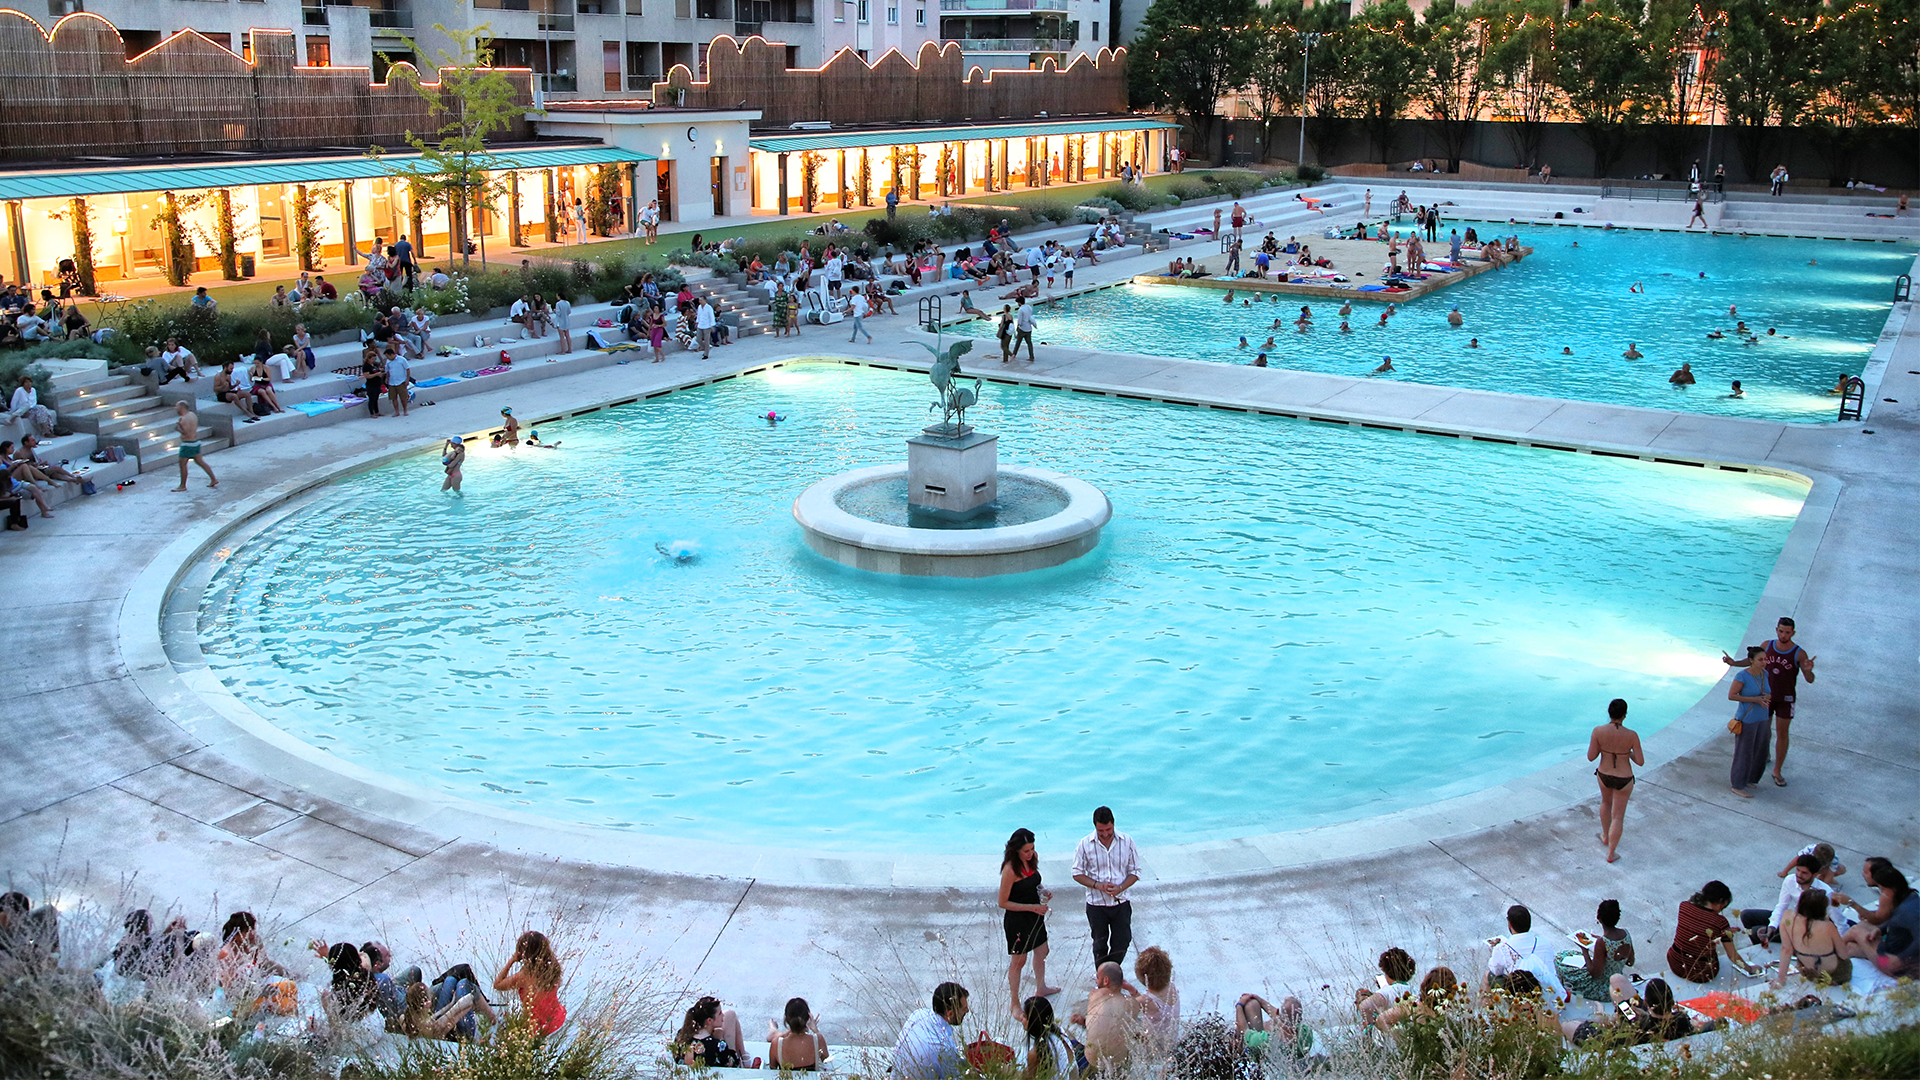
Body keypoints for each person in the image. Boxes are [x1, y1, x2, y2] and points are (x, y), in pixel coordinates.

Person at [1720, 617, 1815, 787]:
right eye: (1780, 631)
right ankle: (1766, 755)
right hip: (1765, 697)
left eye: (1787, 632)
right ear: (1776, 629)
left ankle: (1777, 770)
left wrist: (1808, 671)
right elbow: (1751, 660)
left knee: (1782, 732)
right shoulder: (1767, 645)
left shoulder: (1799, 653)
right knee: (1764, 731)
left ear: (1793, 633)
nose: (1783, 635)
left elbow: (1809, 679)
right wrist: (1734, 663)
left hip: (1785, 698)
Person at [999, 828, 1059, 1016]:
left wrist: (1043, 891)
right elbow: (1003, 902)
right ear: (1016, 850)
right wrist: (1032, 907)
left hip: (1035, 915)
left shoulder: (1032, 859)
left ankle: (1041, 987)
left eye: (1032, 849)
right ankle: (1014, 1002)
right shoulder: (1010, 870)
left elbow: (1034, 883)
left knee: (1042, 951)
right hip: (1018, 919)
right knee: (1019, 961)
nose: (1030, 853)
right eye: (1026, 851)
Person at [1072, 806, 1140, 968]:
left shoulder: (1127, 841)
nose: (1105, 834)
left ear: (1113, 823)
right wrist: (1097, 885)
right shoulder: (1084, 844)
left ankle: (1109, 973)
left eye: (1108, 829)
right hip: (1096, 904)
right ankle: (1104, 980)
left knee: (1123, 940)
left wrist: (1121, 887)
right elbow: (1077, 873)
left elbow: (1135, 871)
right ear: (1095, 826)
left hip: (1120, 902)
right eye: (1100, 830)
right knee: (1099, 944)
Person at [1668, 881, 1758, 983]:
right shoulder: (1720, 922)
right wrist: (1750, 969)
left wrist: (1723, 932)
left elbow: (1697, 925)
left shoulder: (1684, 906)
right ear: (1720, 902)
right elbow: (1732, 955)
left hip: (1675, 964)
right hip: (1701, 973)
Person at [1588, 698, 1642, 862]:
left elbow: (1591, 757)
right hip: (1624, 778)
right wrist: (1627, 752)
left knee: (1605, 803)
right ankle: (1611, 853)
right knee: (1618, 816)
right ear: (1624, 715)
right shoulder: (1631, 735)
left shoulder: (1598, 731)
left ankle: (1605, 836)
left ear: (1609, 713)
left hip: (1604, 774)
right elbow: (1640, 761)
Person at [1556, 899, 1635, 1002]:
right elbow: (1630, 962)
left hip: (1602, 988)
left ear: (1599, 918)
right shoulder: (1625, 934)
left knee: (1560, 961)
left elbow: (1594, 973)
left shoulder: (1602, 942)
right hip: (1618, 982)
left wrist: (1585, 951)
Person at [1488, 905, 1568, 1004]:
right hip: (1549, 992)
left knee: (1488, 975)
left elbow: (1496, 971)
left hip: (1522, 993)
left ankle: (1488, 1009)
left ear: (1510, 925)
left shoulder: (1502, 948)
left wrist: (1493, 953)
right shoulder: (1545, 944)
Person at [493, 929, 565, 1036]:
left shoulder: (524, 976)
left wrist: (512, 960)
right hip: (557, 1018)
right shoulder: (553, 968)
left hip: (536, 1026)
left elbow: (498, 985)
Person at [1774, 890, 1852, 987]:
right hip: (1835, 973)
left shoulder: (1787, 918)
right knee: (1851, 945)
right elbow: (1843, 954)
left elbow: (1786, 950)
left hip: (1808, 971)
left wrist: (1781, 979)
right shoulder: (1828, 926)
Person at [893, 982, 968, 1080]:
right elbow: (955, 1077)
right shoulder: (944, 1047)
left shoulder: (917, 1015)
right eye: (964, 1009)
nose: (967, 1011)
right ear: (949, 1013)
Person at [1074, 962, 1139, 1075]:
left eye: (1097, 978)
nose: (1096, 981)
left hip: (1092, 1066)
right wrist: (1132, 990)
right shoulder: (1133, 1003)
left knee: (1071, 1043)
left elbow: (1098, 1022)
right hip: (1119, 1068)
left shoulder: (1095, 995)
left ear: (1106, 981)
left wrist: (1082, 1021)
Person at [1726, 645, 1772, 797]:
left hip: (1763, 718)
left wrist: (1766, 698)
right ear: (1751, 661)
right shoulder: (1742, 676)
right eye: (1760, 660)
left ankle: (1752, 778)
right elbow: (1732, 695)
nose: (1764, 662)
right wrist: (1755, 699)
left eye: (1765, 659)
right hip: (1747, 719)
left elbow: (1769, 693)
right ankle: (1738, 784)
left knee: (1761, 750)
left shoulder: (1764, 674)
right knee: (1744, 752)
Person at [678, 995, 749, 1068]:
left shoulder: (681, 1035)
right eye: (720, 1013)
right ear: (709, 1021)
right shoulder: (717, 1045)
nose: (723, 1015)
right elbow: (733, 1064)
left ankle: (745, 1056)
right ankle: (745, 1059)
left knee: (730, 1014)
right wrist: (721, 1038)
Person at [1135, 946, 1179, 1052]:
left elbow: (1123, 1009)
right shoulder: (1172, 988)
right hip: (1170, 1043)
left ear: (1141, 977)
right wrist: (1133, 991)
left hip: (1153, 1050)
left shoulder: (1145, 1001)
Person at [1019, 996, 1074, 1080]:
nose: (1020, 1018)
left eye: (1024, 1016)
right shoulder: (1061, 1032)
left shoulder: (1035, 1053)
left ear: (1033, 1022)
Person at [766, 997, 828, 1071]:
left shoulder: (776, 1044)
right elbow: (825, 1058)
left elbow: (773, 1067)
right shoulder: (817, 1040)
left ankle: (772, 1027)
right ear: (808, 1018)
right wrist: (815, 1030)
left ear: (786, 1019)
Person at [170, 402, 217, 492]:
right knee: (201, 462)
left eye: (177, 406)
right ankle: (213, 479)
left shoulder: (184, 419)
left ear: (182, 407)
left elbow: (186, 432)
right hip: (195, 442)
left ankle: (182, 485)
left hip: (187, 444)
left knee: (182, 465)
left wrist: (179, 427)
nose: (175, 408)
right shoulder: (192, 415)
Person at [5, 375, 57, 439]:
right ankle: (13, 416)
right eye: (26, 382)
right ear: (23, 383)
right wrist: (15, 410)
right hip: (20, 410)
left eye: (29, 382)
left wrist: (30, 408)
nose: (28, 384)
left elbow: (34, 402)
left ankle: (46, 430)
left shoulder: (33, 390)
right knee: (26, 405)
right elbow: (14, 402)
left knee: (42, 408)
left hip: (31, 409)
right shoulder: (19, 390)